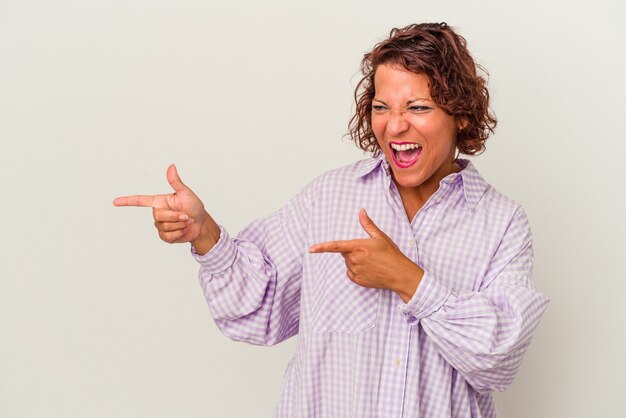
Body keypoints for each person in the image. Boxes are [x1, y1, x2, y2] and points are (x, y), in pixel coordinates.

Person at [114, 22, 549, 418]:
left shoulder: (501, 223)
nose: (395, 126)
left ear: (462, 114)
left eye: (417, 107)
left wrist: (408, 280)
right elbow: (258, 309)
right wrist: (205, 234)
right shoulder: (329, 197)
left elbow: (499, 357)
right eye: (382, 107)